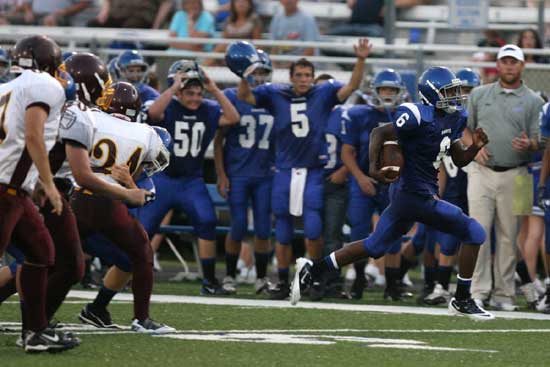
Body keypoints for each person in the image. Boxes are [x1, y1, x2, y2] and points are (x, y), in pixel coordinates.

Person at [292, 66, 495, 321]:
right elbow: (381, 132)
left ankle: (314, 268)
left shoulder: (455, 118)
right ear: (432, 94)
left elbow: (459, 159)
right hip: (413, 193)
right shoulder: (417, 115)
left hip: (412, 195)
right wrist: (375, 167)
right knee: (474, 232)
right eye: (449, 91)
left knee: (374, 245)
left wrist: (475, 146)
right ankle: (463, 299)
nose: (455, 96)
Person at [235, 39, 371, 299]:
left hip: (313, 172)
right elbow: (244, 96)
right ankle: (284, 281)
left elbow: (352, 86)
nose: (304, 79)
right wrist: (244, 75)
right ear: (290, 77)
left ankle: (314, 279)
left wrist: (361, 60)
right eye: (299, 75)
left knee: (312, 230)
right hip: (285, 170)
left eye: (308, 75)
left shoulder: (323, 93)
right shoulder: (276, 93)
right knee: (283, 231)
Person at [62, 54, 174, 333]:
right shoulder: (146, 134)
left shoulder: (87, 118)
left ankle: (94, 309)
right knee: (141, 253)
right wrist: (127, 183)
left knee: (49, 259)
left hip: (74, 198)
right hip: (105, 204)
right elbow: (146, 183)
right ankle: (142, 318)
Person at [0, 35, 79, 352]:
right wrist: (47, 183)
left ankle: (34, 332)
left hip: (15, 190)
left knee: (42, 254)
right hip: (6, 190)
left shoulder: (6, 87)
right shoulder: (46, 85)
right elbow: (33, 134)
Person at [145, 59, 240, 295]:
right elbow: (153, 113)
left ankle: (208, 281)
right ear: (178, 92)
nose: (195, 98)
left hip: (191, 180)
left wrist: (214, 89)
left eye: (199, 93)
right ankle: (133, 273)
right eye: (189, 93)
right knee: (144, 228)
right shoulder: (169, 105)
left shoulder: (207, 109)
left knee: (207, 222)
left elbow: (233, 118)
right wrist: (174, 88)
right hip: (164, 177)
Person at [467, 45, 545, 311]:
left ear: (522, 66)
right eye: (505, 61)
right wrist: (474, 148)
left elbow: (541, 141)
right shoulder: (479, 94)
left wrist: (530, 144)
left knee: (510, 238)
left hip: (519, 172)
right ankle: (478, 290)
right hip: (481, 171)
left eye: (514, 62)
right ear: (497, 65)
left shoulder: (535, 100)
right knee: (478, 233)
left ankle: (504, 294)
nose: (509, 66)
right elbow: (464, 129)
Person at [340, 69, 408, 301]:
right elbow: (347, 152)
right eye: (384, 89)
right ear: (375, 91)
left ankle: (391, 285)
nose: (388, 94)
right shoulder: (360, 115)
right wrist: (360, 177)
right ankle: (358, 279)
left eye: (392, 90)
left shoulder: (406, 116)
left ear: (400, 92)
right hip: (364, 184)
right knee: (359, 233)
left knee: (394, 234)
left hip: (393, 185)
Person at [214, 48, 274, 295]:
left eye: (263, 72)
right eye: (255, 72)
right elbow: (219, 139)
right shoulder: (231, 96)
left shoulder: (273, 97)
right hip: (238, 172)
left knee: (262, 229)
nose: (259, 77)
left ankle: (260, 278)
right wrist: (221, 173)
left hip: (265, 174)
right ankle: (229, 275)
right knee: (237, 226)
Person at [204, 0, 262, 66]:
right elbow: (224, 40)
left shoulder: (254, 20)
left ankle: (204, 66)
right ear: (233, 4)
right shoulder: (229, 20)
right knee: (221, 47)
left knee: (221, 47)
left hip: (248, 52)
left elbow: (258, 43)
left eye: (244, 1)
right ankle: (205, 67)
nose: (241, 4)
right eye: (238, 1)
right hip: (231, 52)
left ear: (249, 5)